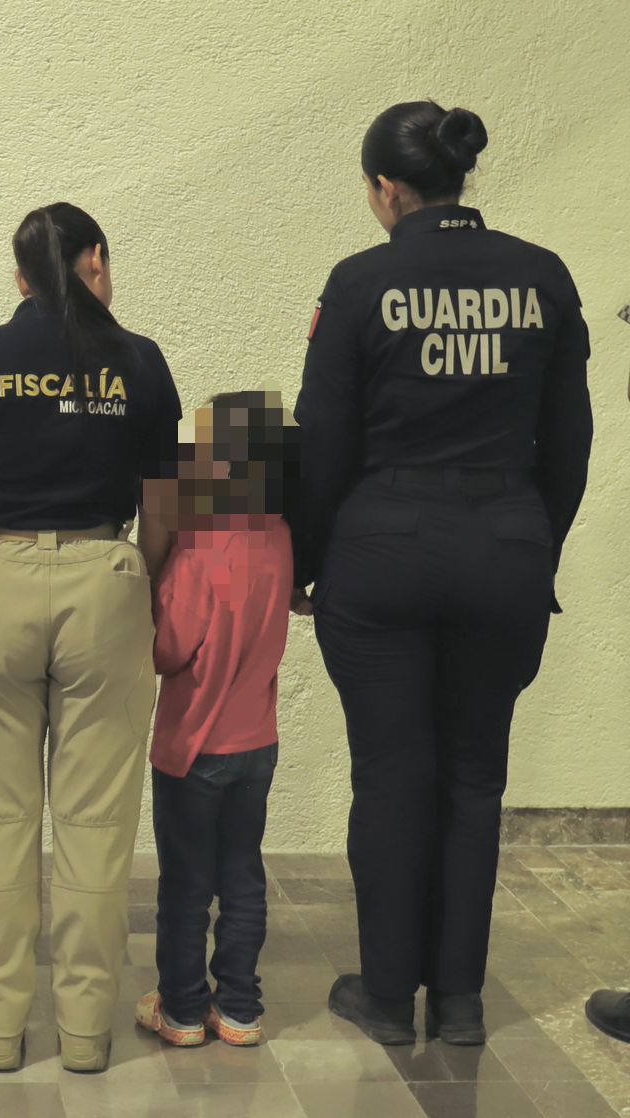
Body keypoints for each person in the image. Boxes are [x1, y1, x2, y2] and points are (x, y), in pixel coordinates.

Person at [295, 101, 593, 1047]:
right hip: (504, 545)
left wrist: (306, 562)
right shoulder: (542, 276)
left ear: (388, 189)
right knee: (473, 776)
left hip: (381, 552)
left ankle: (388, 996)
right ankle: (459, 1001)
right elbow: (570, 442)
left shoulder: (358, 283)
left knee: (390, 776)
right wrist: (532, 543)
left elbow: (324, 443)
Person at [0, 202, 181, 1073]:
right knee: (95, 822)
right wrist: (138, 588)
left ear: (21, 277)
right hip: (105, 577)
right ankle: (83, 1036)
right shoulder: (141, 362)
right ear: (94, 260)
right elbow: (162, 511)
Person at [134, 392, 297, 1050]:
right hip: (257, 742)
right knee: (243, 876)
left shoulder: (199, 546)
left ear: (222, 466)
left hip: (193, 747)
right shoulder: (280, 535)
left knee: (185, 885)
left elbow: (167, 648)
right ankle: (240, 1010)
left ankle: (180, 1010)